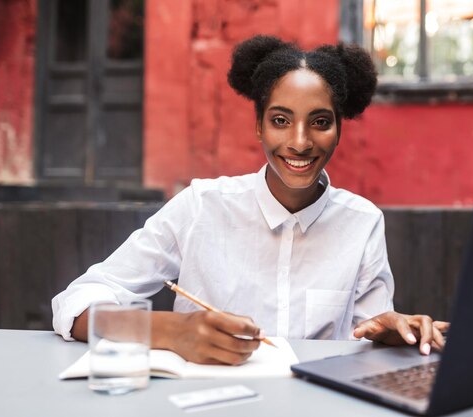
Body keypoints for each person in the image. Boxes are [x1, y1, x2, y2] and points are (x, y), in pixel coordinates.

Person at [52, 35, 449, 365]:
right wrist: (173, 332)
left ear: (339, 127)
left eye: (320, 122)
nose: (299, 141)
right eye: (280, 120)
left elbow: (367, 336)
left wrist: (392, 333)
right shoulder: (201, 206)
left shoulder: (362, 222)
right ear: (258, 126)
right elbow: (76, 305)